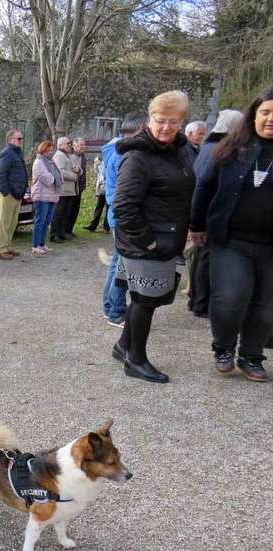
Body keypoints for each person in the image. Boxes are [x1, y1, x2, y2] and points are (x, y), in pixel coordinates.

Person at [190, 86, 273, 382]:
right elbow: (204, 187)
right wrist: (197, 225)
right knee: (230, 297)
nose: (270, 119)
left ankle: (251, 356)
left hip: (269, 247)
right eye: (265, 112)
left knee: (265, 306)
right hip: (230, 241)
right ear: (253, 116)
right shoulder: (230, 149)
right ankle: (223, 349)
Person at [112, 90, 194, 383]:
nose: (165, 127)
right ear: (150, 119)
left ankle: (123, 346)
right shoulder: (139, 156)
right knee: (146, 302)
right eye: (160, 120)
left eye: (173, 121)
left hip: (165, 239)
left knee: (143, 299)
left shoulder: (180, 149)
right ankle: (136, 359)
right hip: (146, 243)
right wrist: (149, 241)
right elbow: (122, 206)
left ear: (182, 121)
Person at [187, 110, 244, 317]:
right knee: (206, 259)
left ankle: (196, 300)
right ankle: (201, 303)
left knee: (200, 257)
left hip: (202, 211)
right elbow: (205, 185)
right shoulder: (221, 150)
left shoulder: (207, 148)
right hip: (212, 212)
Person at [101, 112, 148, 328]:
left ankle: (110, 307)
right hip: (123, 217)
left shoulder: (117, 151)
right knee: (122, 266)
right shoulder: (123, 154)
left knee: (116, 264)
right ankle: (116, 310)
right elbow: (124, 192)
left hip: (118, 214)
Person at [0, 129, 28, 260]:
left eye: (21, 138)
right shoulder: (7, 153)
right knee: (4, 222)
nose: (21, 141)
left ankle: (7, 246)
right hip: (9, 194)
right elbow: (1, 174)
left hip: (17, 193)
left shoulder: (17, 153)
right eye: (19, 139)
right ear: (10, 140)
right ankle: (0, 249)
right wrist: (6, 192)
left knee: (13, 222)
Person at [29, 140, 61, 255]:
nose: (50, 152)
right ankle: (35, 245)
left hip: (51, 196)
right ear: (43, 150)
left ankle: (42, 243)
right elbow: (47, 179)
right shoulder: (38, 162)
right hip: (41, 196)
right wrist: (55, 177)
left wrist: (55, 177)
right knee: (40, 221)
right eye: (48, 150)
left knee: (47, 221)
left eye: (52, 150)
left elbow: (58, 174)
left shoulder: (50, 162)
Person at [50, 137, 80, 243]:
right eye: (68, 143)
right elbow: (60, 172)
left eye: (70, 143)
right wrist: (74, 176)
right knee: (58, 213)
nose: (70, 145)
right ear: (61, 145)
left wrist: (78, 170)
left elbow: (75, 167)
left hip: (69, 190)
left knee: (65, 213)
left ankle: (62, 233)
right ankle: (54, 234)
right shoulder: (59, 156)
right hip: (62, 190)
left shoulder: (66, 156)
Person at [68, 137, 87, 236]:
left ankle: (70, 230)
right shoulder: (69, 155)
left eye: (84, 144)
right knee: (69, 210)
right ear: (74, 145)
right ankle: (65, 231)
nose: (84, 147)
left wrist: (83, 185)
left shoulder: (83, 156)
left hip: (79, 187)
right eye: (81, 145)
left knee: (75, 210)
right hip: (70, 187)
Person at [85, 155, 109, 233]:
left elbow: (105, 174)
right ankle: (93, 226)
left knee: (108, 208)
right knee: (98, 208)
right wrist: (96, 164)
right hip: (101, 188)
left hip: (108, 188)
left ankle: (106, 228)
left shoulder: (109, 162)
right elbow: (97, 172)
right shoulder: (102, 163)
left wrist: (101, 164)